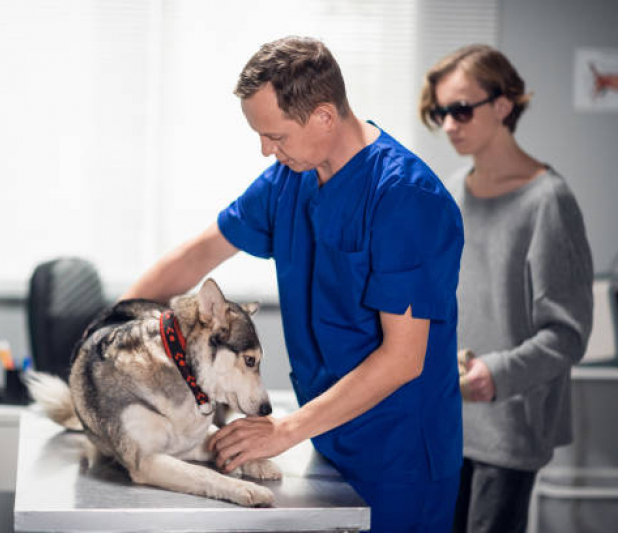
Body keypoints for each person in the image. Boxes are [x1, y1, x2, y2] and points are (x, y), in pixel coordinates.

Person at [123, 36, 464, 532]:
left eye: (276, 136)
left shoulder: (406, 198)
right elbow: (200, 254)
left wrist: (283, 430)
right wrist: (111, 337)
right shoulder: (290, 179)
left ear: (324, 116)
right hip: (328, 437)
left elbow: (403, 358)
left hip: (401, 457)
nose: (266, 149)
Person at [419, 44, 594, 533]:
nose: (449, 124)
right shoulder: (450, 192)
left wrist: (494, 373)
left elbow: (568, 333)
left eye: (460, 109)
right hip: (446, 423)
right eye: (441, 113)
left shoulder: (548, 201)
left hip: (511, 428)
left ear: (503, 104)